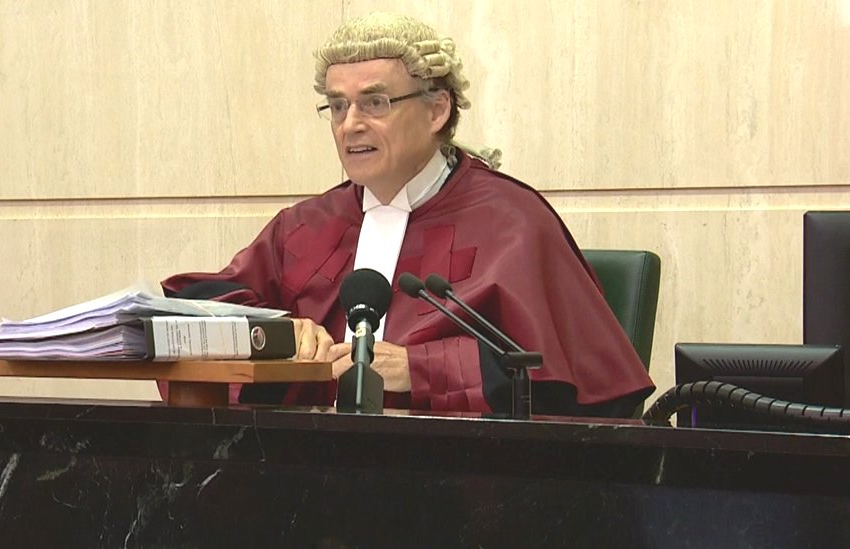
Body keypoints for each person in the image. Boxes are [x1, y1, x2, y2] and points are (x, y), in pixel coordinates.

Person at [162, 12, 654, 417]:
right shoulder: (307, 226)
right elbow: (196, 311)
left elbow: (562, 387)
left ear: (437, 110)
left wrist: (421, 371)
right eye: (337, 106)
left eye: (374, 102)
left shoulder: (513, 223)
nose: (350, 125)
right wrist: (275, 335)